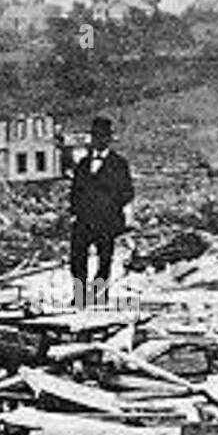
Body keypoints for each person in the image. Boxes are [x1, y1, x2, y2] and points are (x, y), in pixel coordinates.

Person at [69, 115, 134, 308]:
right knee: (77, 261)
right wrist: (77, 210)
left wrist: (109, 207)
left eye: (103, 136)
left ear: (109, 139)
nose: (99, 140)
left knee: (104, 261)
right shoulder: (82, 164)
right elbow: (74, 191)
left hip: (107, 222)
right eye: (96, 136)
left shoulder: (119, 164)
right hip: (83, 222)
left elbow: (127, 192)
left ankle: (98, 297)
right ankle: (80, 298)